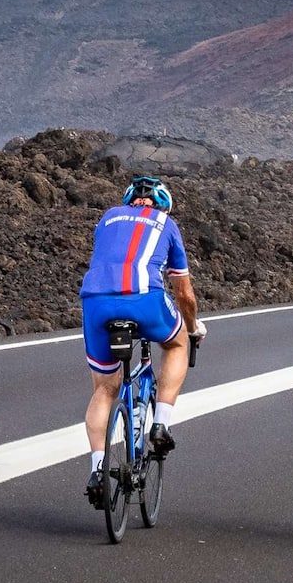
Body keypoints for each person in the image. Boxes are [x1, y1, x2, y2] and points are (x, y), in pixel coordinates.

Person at [79, 175, 204, 504]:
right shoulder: (167, 224)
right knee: (176, 344)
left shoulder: (107, 218)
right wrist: (192, 328)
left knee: (105, 389)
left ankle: (97, 469)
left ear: (128, 201)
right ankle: (161, 424)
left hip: (95, 302)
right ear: (163, 205)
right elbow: (184, 293)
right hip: (144, 297)